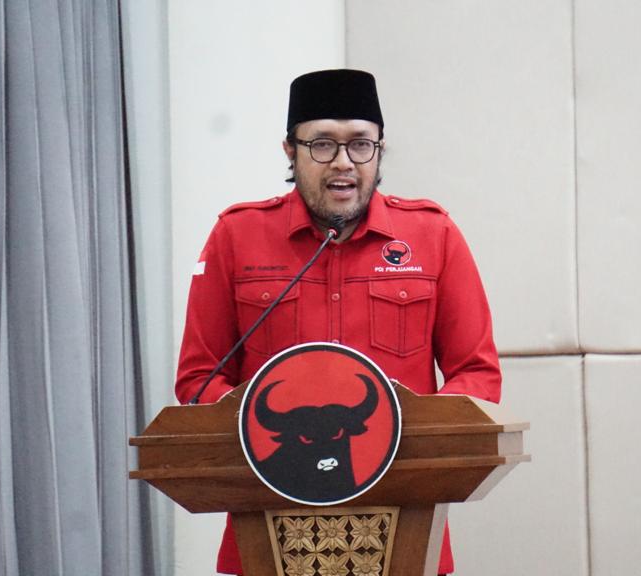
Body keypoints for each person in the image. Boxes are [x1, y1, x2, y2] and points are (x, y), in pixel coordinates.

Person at [174, 69, 501, 576]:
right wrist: (267, 428)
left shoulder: (433, 235)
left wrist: (404, 435)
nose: (344, 162)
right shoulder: (237, 237)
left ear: (380, 150)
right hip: (270, 522)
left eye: (361, 144)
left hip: (403, 520)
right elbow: (198, 380)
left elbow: (477, 374)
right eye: (322, 144)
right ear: (291, 150)